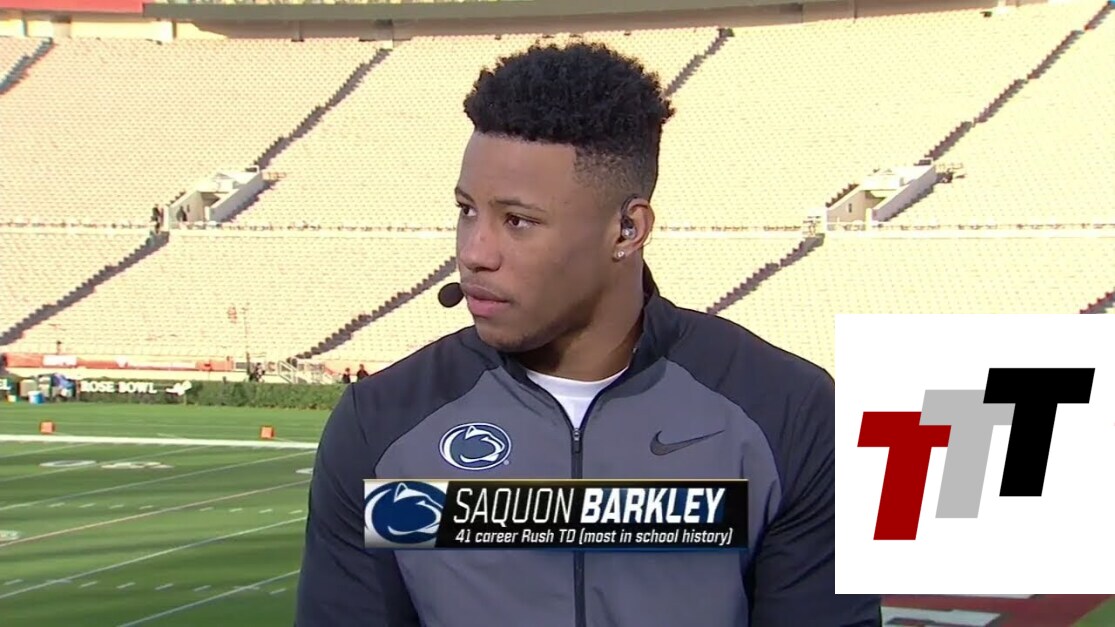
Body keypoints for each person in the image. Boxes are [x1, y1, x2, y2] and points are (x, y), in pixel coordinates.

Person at [295, 41, 880, 627]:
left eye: (518, 221)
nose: (474, 252)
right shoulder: (382, 424)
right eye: (467, 210)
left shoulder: (787, 413)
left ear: (627, 229)